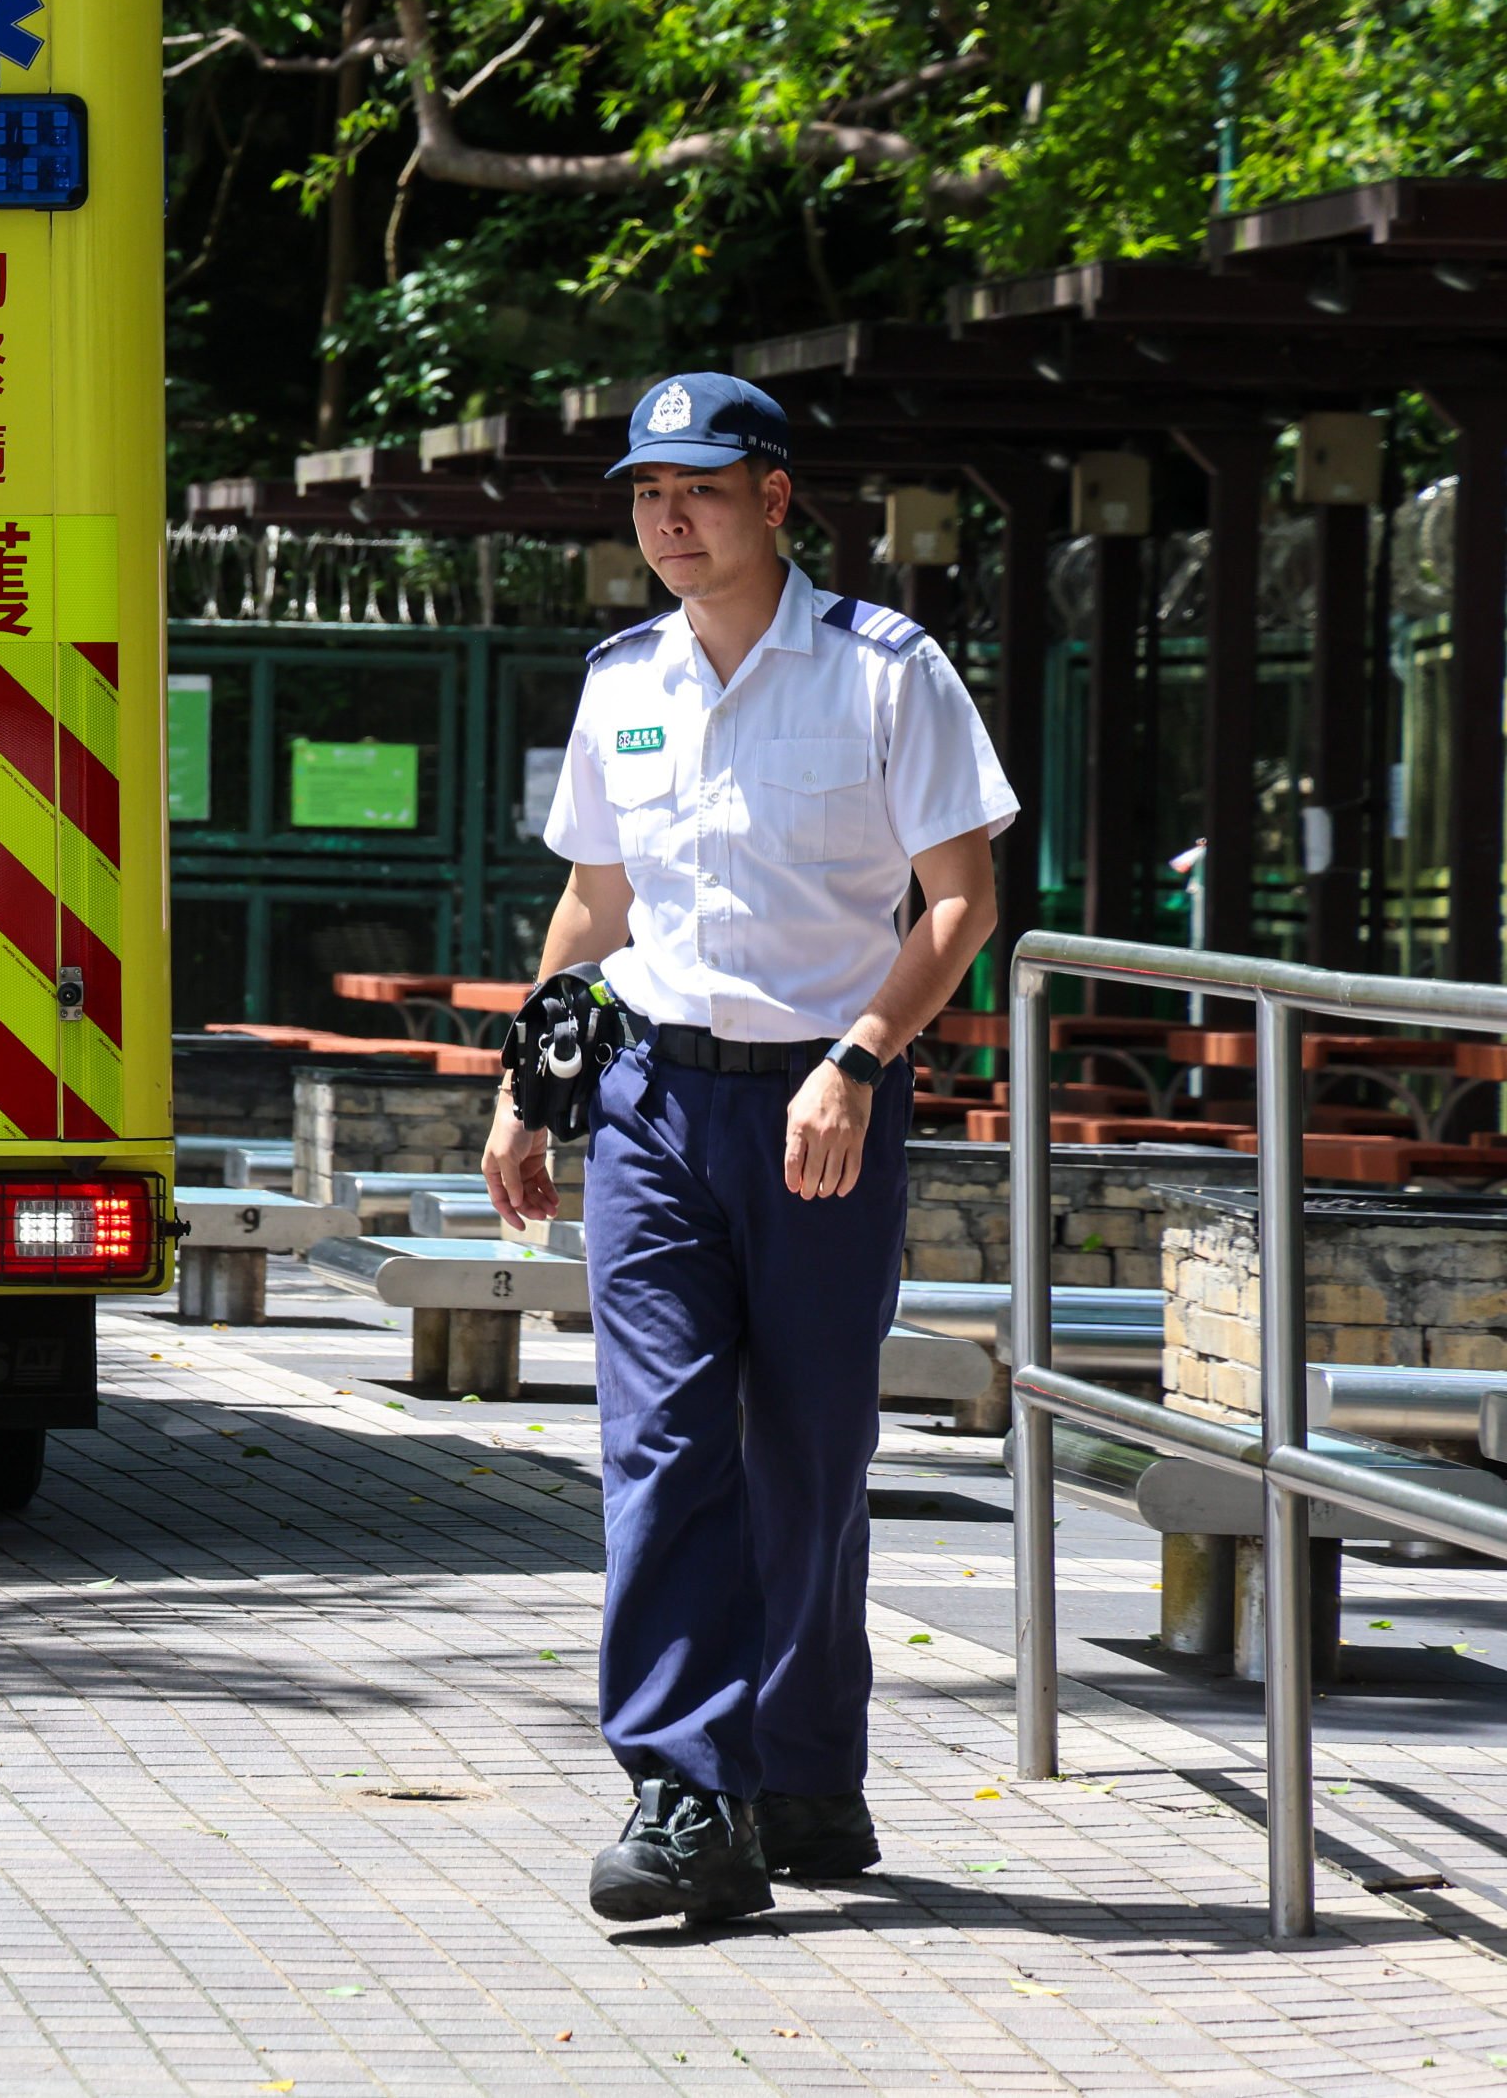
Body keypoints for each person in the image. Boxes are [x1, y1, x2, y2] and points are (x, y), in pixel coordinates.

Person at [480, 373, 1013, 1927]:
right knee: (662, 1444)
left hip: (821, 1108)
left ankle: (801, 1768)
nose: (669, 518)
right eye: (649, 494)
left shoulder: (883, 674)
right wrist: (529, 1082)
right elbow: (596, 904)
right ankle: (683, 1796)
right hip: (652, 1102)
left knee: (810, 1449)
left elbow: (961, 901)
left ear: (774, 499)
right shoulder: (623, 678)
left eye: (700, 490)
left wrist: (860, 1058)